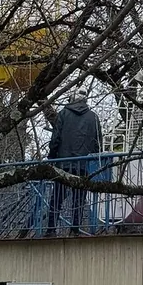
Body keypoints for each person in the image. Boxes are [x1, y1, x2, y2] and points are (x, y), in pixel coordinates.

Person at [45, 96, 102, 236]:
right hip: (83, 164)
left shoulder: (63, 114)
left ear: (71, 100)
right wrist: (93, 159)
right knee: (79, 199)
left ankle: (51, 229)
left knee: (57, 197)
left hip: (63, 163)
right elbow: (98, 143)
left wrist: (52, 156)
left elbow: (56, 138)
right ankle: (75, 229)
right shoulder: (93, 117)